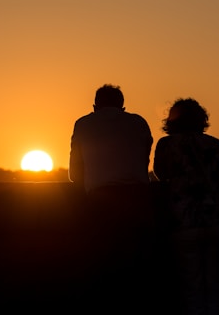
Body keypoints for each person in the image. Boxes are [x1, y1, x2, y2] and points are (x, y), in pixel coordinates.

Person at [69, 84, 155, 310]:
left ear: (95, 106)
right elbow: (144, 160)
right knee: (135, 268)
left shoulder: (83, 124)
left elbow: (75, 174)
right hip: (139, 200)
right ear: (123, 106)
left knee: (103, 266)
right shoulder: (139, 123)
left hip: (101, 203)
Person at [153, 97, 219, 315]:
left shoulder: (166, 145)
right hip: (213, 220)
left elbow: (161, 174)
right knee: (215, 284)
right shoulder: (214, 144)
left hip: (182, 221)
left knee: (191, 286)